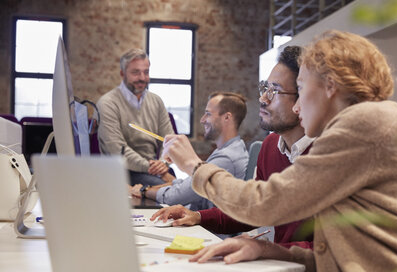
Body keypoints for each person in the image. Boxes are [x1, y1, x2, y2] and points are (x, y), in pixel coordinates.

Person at [158, 30, 397, 272]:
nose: (296, 103)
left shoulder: (366, 123)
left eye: (301, 88)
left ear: (330, 86)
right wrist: (266, 250)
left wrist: (195, 168)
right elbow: (345, 259)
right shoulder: (364, 124)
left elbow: (265, 204)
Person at [151, 46, 314, 248]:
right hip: (281, 265)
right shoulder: (270, 145)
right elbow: (254, 208)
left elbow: (326, 252)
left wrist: (263, 250)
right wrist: (198, 216)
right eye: (265, 89)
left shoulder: (328, 153)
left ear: (304, 98)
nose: (263, 99)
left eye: (274, 91)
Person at [131, 92, 249, 211]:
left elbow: (173, 197)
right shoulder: (231, 149)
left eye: (208, 114)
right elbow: (191, 184)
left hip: (207, 227)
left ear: (227, 117)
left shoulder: (226, 158)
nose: (202, 120)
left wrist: (143, 190)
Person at [97, 48, 175, 186]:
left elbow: (169, 140)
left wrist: (163, 163)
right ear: (122, 73)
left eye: (146, 72)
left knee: (187, 189)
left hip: (154, 169)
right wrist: (152, 168)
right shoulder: (107, 103)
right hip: (122, 171)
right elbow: (117, 150)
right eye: (135, 72)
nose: (142, 78)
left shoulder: (156, 101)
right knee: (173, 190)